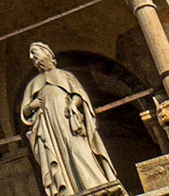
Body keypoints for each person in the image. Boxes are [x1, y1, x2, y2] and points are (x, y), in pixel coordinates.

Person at [20, 42, 120, 196]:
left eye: (35, 53)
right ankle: (69, 190)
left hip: (68, 121)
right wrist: (32, 106)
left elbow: (78, 95)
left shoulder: (64, 75)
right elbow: (25, 111)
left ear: (47, 54)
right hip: (49, 128)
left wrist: (74, 104)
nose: (32, 58)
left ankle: (95, 183)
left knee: (78, 149)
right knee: (59, 157)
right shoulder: (33, 84)